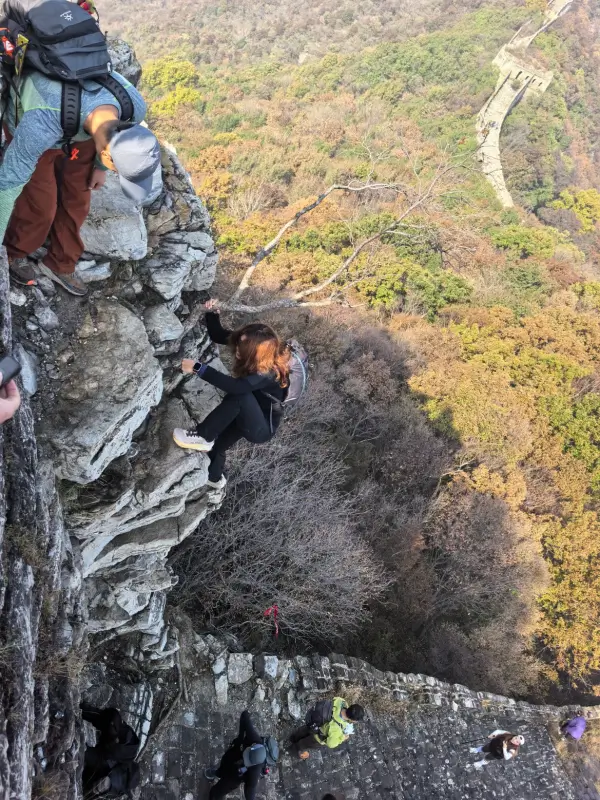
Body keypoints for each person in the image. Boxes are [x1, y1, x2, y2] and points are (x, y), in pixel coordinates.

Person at [0, 51, 160, 295]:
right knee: (41, 206)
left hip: (79, 125)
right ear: (107, 152)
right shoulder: (39, 123)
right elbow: (8, 186)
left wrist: (100, 167)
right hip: (36, 121)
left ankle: (60, 262)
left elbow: (109, 139)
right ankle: (14, 252)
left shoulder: (132, 107)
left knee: (78, 199)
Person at [173, 300, 290, 489]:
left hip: (261, 429)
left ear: (256, 354)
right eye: (239, 344)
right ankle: (214, 479)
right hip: (248, 413)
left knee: (239, 396)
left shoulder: (268, 372)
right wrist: (212, 314)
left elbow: (237, 388)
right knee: (219, 445)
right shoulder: (250, 344)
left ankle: (202, 435)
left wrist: (198, 368)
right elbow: (218, 334)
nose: (237, 351)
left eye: (242, 349)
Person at [204, 710, 271, 800]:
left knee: (216, 792)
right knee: (224, 763)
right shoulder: (254, 738)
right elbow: (245, 715)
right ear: (253, 746)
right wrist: (240, 738)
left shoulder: (254, 772)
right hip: (234, 754)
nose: (245, 758)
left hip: (236, 776)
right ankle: (218, 773)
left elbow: (250, 791)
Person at [81, 703, 140, 797]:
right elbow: (102, 717)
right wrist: (80, 709)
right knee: (109, 722)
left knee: (80, 753)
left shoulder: (111, 779)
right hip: (110, 754)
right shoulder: (122, 734)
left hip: (104, 767)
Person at [291, 698, 365, 760]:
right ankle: (295, 750)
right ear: (352, 720)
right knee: (305, 743)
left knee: (302, 732)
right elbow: (331, 744)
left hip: (313, 723)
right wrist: (342, 737)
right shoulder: (337, 728)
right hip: (317, 738)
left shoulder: (341, 701)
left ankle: (293, 737)